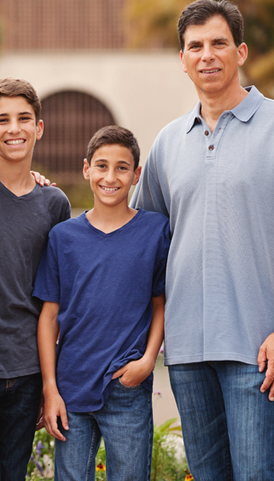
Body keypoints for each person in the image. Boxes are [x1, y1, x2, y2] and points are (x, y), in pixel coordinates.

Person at [131, 0, 274, 480]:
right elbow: (138, 233)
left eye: (219, 43)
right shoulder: (167, 142)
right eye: (194, 46)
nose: (207, 55)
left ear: (240, 51)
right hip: (187, 353)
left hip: (258, 351)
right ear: (182, 60)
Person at [35, 125, 170, 481]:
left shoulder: (155, 231)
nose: (110, 177)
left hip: (126, 386)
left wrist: (147, 360)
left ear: (136, 175)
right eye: (101, 166)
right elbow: (49, 317)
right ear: (86, 169)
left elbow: (161, 304)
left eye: (122, 168)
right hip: (71, 388)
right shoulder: (63, 237)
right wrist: (50, 388)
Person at [0, 78, 71, 481]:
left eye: (24, 119)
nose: (14, 128)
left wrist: (48, 381)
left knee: (12, 474)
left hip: (26, 371)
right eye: (2, 120)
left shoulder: (54, 203)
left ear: (39, 127)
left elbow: (56, 301)